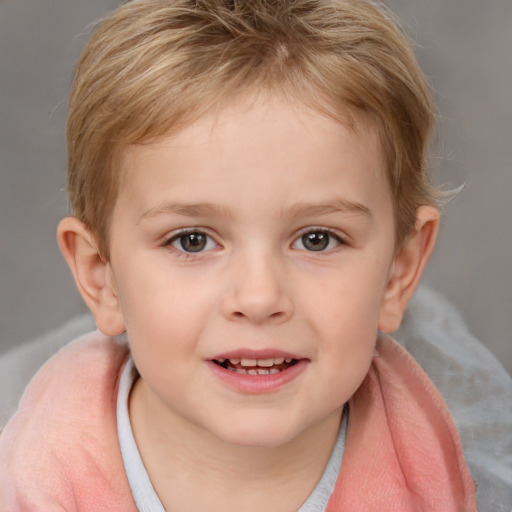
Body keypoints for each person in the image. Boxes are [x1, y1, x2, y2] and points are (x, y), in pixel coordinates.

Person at [0, 0, 479, 510]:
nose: (258, 298)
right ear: (102, 277)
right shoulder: (36, 481)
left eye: (317, 239)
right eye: (192, 240)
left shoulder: (429, 473)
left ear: (397, 273)